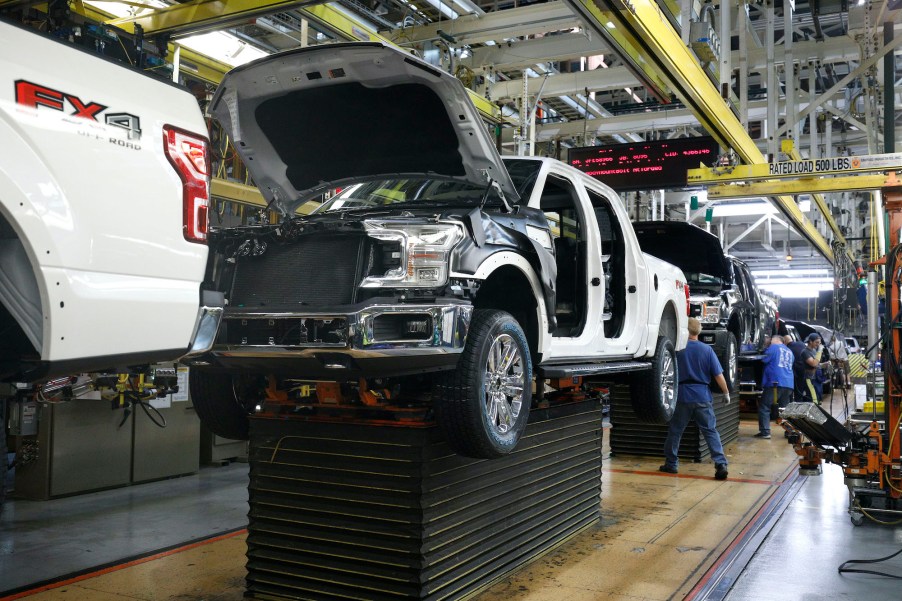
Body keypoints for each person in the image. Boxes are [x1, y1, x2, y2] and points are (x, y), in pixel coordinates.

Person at [659, 317, 730, 480]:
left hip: (682, 394)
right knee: (710, 431)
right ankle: (720, 464)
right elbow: (718, 375)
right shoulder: (707, 350)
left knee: (675, 431)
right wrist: (725, 392)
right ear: (698, 331)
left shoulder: (677, 349)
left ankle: (671, 464)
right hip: (702, 395)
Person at [758, 335, 794, 439]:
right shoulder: (789, 351)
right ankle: (790, 431)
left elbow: (763, 359)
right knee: (784, 410)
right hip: (788, 384)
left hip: (775, 383)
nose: (768, 341)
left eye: (770, 339)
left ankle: (765, 432)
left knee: (765, 407)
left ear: (776, 340)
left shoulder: (774, 347)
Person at [796, 333, 824, 403]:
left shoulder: (814, 351)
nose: (818, 344)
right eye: (816, 342)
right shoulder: (805, 352)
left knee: (817, 398)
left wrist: (824, 365)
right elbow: (814, 363)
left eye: (819, 343)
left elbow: (817, 364)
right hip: (809, 378)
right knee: (813, 399)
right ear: (810, 341)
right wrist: (819, 351)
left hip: (816, 378)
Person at [785, 335, 807, 401]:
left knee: (792, 390)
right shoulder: (801, 344)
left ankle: (792, 403)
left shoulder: (787, 349)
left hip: (795, 372)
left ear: (785, 341)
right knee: (800, 389)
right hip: (805, 370)